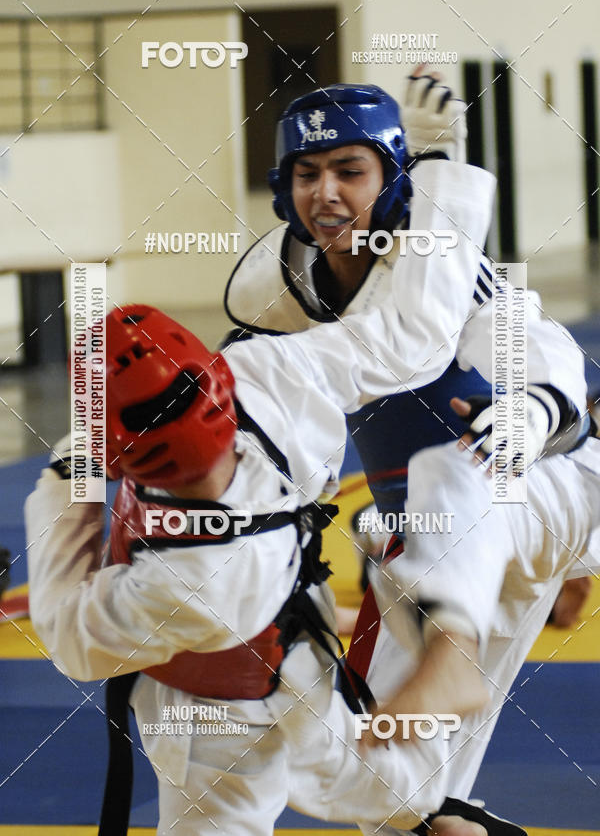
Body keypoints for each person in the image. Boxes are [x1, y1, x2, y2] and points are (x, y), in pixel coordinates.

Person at [25, 143, 498, 836]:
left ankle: (423, 813)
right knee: (337, 758)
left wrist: (69, 484)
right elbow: (408, 335)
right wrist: (438, 174)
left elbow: (69, 634)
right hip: (266, 676)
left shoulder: (194, 572)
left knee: (290, 773)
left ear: (121, 457)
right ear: (213, 375)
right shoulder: (267, 374)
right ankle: (427, 815)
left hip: (235, 695)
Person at [223, 78, 598, 831]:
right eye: (307, 171)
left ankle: (506, 612)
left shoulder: (448, 272)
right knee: (397, 798)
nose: (325, 192)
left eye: (349, 170)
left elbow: (541, 351)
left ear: (393, 180)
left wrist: (530, 408)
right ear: (281, 185)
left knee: (453, 472)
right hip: (435, 548)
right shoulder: (276, 293)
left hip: (551, 485)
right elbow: (264, 425)